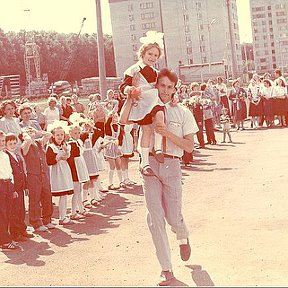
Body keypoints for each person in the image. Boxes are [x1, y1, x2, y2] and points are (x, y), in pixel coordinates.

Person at [120, 68, 198, 286]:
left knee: (173, 217)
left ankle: (182, 234)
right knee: (155, 219)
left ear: (175, 89)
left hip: (172, 165)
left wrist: (167, 134)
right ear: (156, 86)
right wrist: (129, 96)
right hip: (150, 166)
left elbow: (190, 146)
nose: (165, 90)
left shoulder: (182, 112)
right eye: (161, 85)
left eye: (169, 87)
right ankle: (166, 270)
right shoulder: (146, 107)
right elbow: (123, 120)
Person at [119, 31, 169, 176]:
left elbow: (164, 86)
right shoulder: (134, 69)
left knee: (160, 117)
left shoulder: (156, 72)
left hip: (155, 101)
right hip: (142, 103)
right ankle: (145, 163)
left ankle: (158, 148)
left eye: (155, 55)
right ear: (142, 53)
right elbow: (123, 86)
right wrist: (129, 89)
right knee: (146, 130)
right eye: (150, 54)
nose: (152, 57)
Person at [20, 127, 55, 232]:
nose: (31, 132)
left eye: (31, 130)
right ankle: (36, 223)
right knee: (35, 199)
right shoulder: (25, 145)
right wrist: (25, 135)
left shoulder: (39, 142)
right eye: (28, 131)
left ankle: (47, 220)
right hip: (33, 175)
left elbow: (49, 134)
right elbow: (27, 143)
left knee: (47, 196)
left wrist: (37, 132)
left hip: (44, 173)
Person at [5, 133, 34, 242]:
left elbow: (23, 171)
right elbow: (9, 173)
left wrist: (26, 185)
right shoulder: (6, 155)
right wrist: (12, 189)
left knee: (22, 210)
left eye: (14, 143)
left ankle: (22, 229)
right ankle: (15, 233)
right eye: (10, 143)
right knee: (15, 211)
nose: (12, 145)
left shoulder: (17, 155)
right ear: (6, 144)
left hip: (21, 186)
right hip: (14, 188)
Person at [46, 123, 75, 225]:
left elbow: (69, 158)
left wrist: (66, 153)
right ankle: (50, 217)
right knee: (56, 193)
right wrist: (57, 158)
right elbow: (49, 161)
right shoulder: (51, 147)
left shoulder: (66, 145)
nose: (60, 137)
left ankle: (62, 217)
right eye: (57, 135)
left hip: (64, 170)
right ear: (53, 136)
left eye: (61, 135)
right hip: (55, 171)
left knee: (64, 194)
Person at [0, 130, 23, 251]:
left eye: (3, 141)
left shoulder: (4, 154)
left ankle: (6, 238)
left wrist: (13, 188)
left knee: (7, 213)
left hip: (8, 183)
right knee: (2, 214)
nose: (1, 143)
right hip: (0, 184)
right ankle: (4, 241)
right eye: (0, 141)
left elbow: (10, 172)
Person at [66, 124, 92, 220]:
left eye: (78, 133)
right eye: (75, 133)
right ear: (70, 133)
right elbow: (71, 158)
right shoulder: (71, 143)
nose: (77, 135)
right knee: (76, 191)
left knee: (79, 190)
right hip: (75, 168)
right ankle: (73, 212)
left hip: (80, 165)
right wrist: (74, 170)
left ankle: (81, 209)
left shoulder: (77, 142)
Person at [104, 111, 123, 190]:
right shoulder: (108, 125)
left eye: (116, 116)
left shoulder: (119, 126)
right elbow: (107, 131)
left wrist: (120, 147)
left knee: (119, 164)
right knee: (112, 166)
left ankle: (121, 181)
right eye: (114, 117)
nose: (116, 118)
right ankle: (110, 183)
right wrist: (110, 115)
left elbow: (120, 137)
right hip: (109, 146)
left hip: (116, 146)